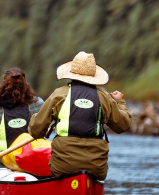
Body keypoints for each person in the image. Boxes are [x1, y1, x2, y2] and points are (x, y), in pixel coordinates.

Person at [28, 51, 131, 182]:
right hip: (96, 167)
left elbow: (35, 130)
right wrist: (119, 102)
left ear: (72, 74)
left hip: (63, 167)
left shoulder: (59, 94)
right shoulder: (105, 98)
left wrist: (38, 118)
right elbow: (123, 125)